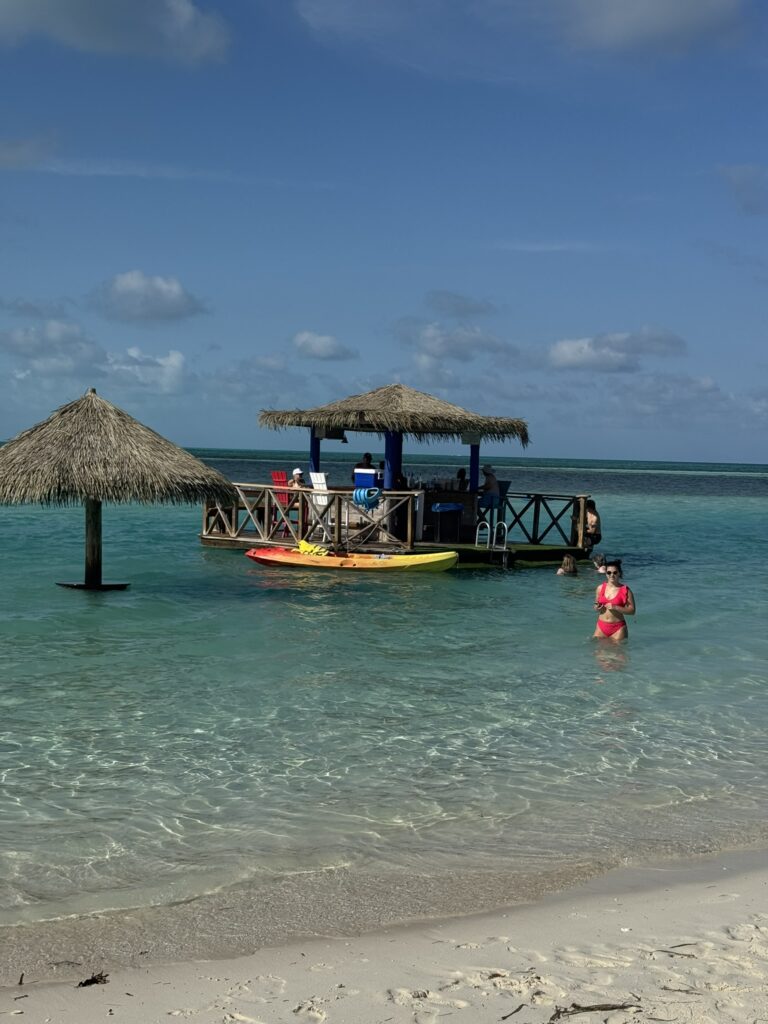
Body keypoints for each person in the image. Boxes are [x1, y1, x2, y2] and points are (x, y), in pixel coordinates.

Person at [593, 559, 635, 642]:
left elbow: (632, 611)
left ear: (619, 573)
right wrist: (597, 608)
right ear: (606, 574)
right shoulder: (600, 588)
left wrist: (615, 607)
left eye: (615, 572)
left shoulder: (626, 590)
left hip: (618, 628)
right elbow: (595, 606)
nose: (612, 575)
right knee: (597, 652)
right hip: (601, 626)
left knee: (618, 653)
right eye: (609, 572)